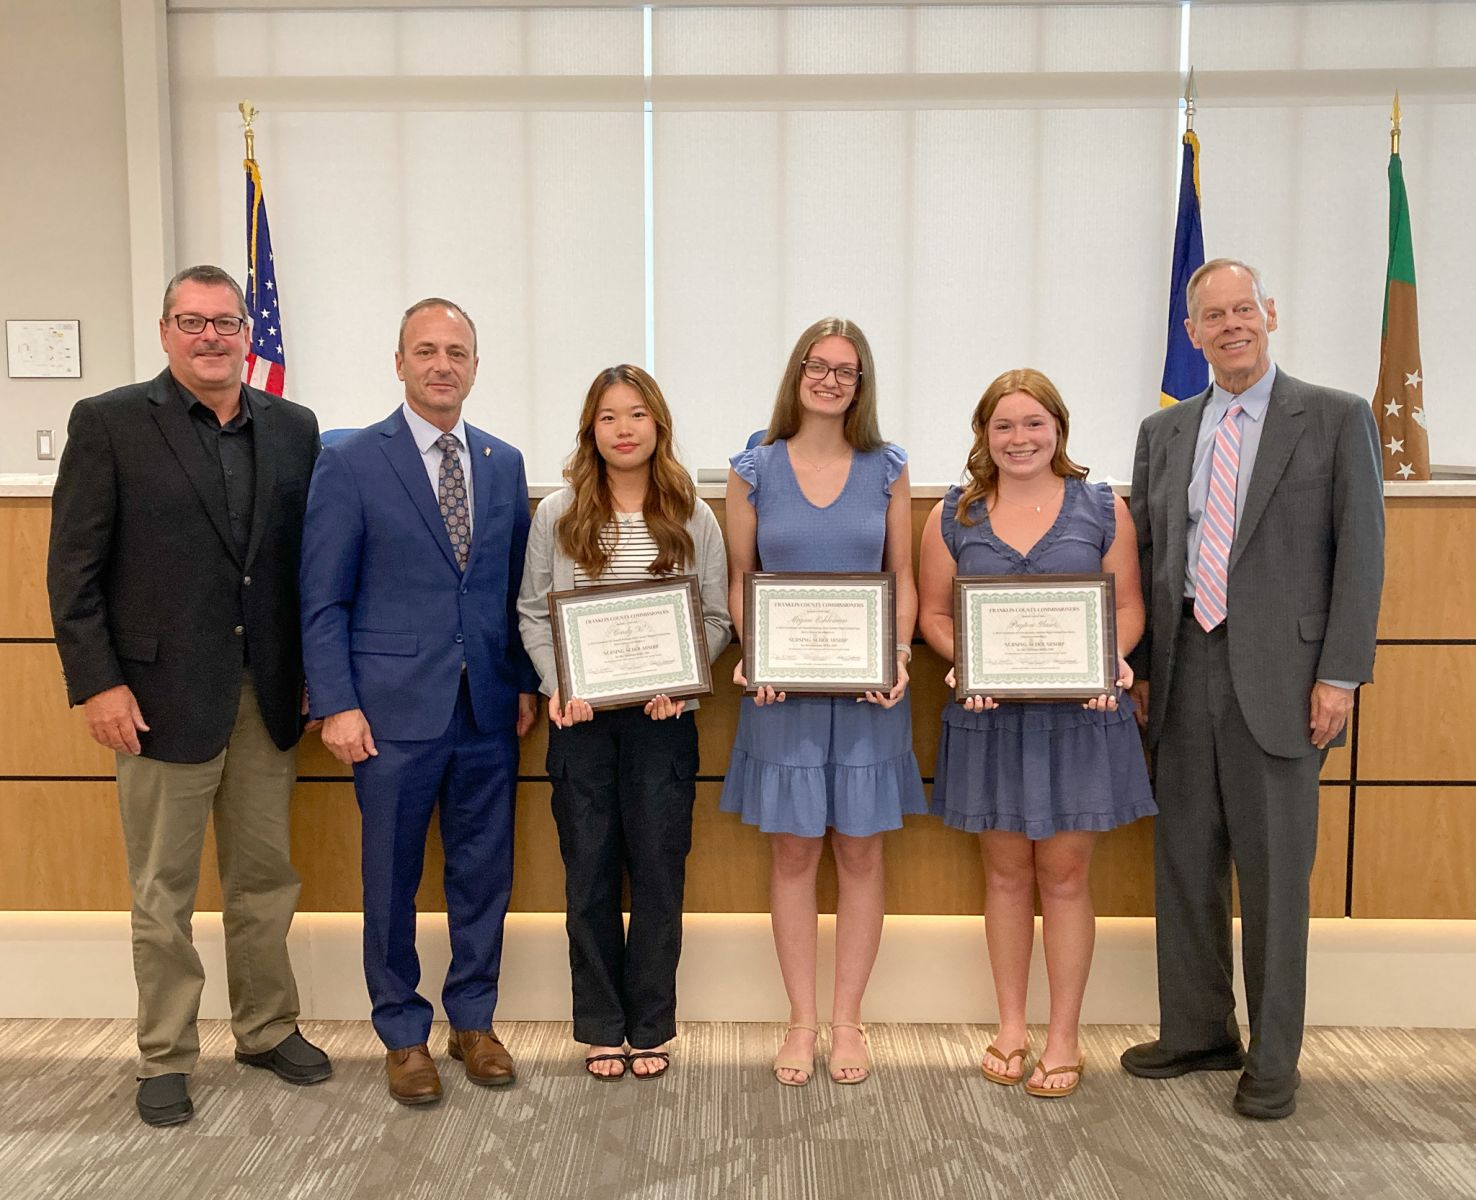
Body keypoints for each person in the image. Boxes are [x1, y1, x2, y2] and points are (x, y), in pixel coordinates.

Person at [47, 265, 331, 1127]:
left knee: (263, 880)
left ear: (249, 333)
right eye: (192, 322)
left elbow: (300, 567)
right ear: (165, 330)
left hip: (267, 695)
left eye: (225, 323)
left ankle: (265, 1026)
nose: (211, 337)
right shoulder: (110, 423)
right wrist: (97, 683)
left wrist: (318, 672)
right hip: (155, 697)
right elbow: (74, 570)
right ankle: (165, 1053)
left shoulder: (294, 428)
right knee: (163, 893)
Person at [1122, 259, 1384, 1120]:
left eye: (1244, 309)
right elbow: (1153, 558)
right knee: (1185, 863)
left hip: (1285, 676)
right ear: (1190, 331)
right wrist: (1146, 670)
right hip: (1185, 663)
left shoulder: (1337, 418)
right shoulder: (1162, 434)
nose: (1230, 324)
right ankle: (1198, 1031)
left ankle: (1275, 1058)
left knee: (1274, 877)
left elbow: (1362, 556)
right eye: (1211, 315)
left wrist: (1340, 674)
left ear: (1269, 314)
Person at [299, 297, 540, 1106]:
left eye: (458, 352)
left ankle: (474, 1019)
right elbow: (322, 598)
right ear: (398, 362)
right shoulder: (352, 461)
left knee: (483, 875)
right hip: (389, 712)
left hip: (487, 711)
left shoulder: (504, 463)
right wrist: (335, 701)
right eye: (426, 351)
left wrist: (526, 684)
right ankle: (403, 1033)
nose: (443, 365)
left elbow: (514, 593)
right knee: (390, 878)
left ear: (476, 365)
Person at [917, 368, 1155, 1100]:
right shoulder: (952, 516)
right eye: (1004, 426)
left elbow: (1130, 609)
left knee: (1067, 876)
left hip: (1080, 719)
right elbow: (934, 617)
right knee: (1006, 874)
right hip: (990, 719)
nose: (1020, 439)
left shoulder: (1103, 508)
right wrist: (970, 661)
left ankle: (1064, 1035)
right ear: (983, 435)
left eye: (1034, 424)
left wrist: (1111, 657)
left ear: (1060, 428)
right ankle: (1013, 1026)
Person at [721, 317, 925, 1087]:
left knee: (862, 851)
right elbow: (743, 579)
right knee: (795, 852)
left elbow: (901, 575)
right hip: (783, 691)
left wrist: (899, 653)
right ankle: (800, 1021)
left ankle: (848, 1022)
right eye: (818, 365)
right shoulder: (753, 468)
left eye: (846, 369)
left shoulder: (888, 467)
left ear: (861, 382)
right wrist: (755, 652)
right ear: (797, 372)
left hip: (872, 689)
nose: (830, 379)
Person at [517, 365, 731, 1082]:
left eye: (636, 414)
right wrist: (557, 684)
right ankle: (602, 1026)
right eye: (608, 417)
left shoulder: (692, 512)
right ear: (591, 430)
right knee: (590, 875)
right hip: (581, 722)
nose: (624, 428)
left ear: (658, 425)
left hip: (662, 723)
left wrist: (681, 685)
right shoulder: (557, 513)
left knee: (659, 874)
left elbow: (715, 618)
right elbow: (531, 612)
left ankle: (651, 1026)